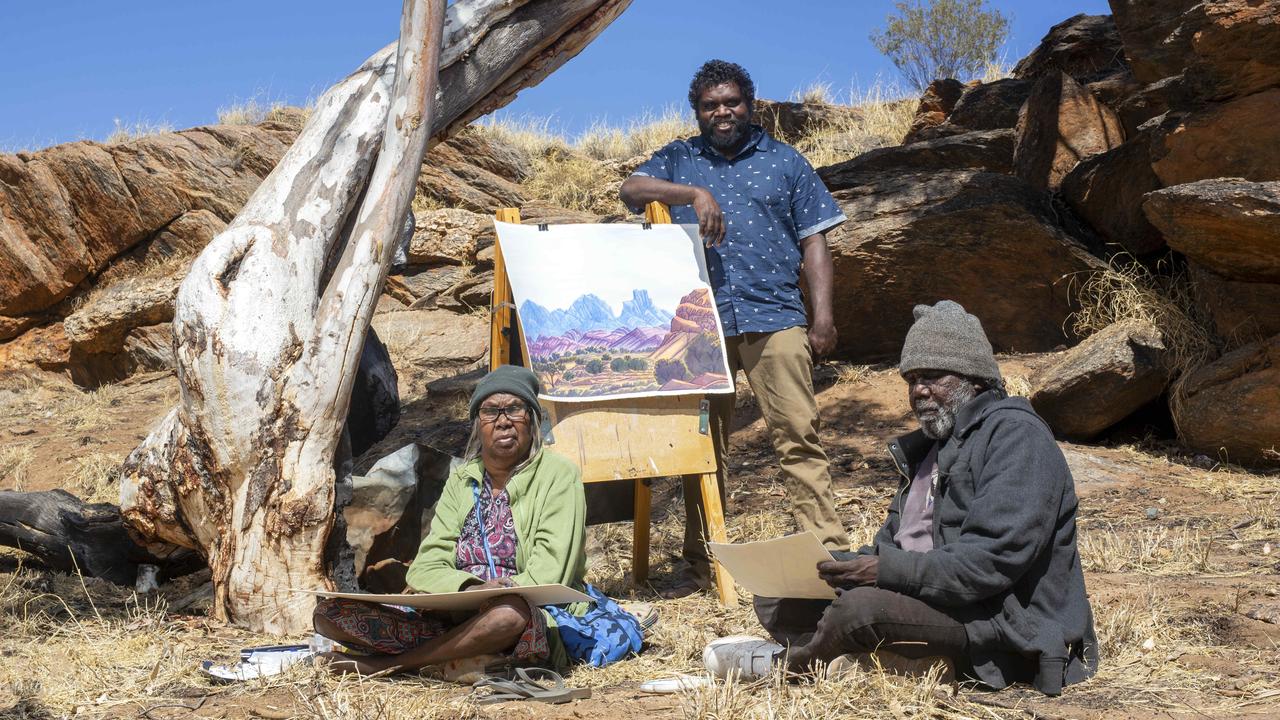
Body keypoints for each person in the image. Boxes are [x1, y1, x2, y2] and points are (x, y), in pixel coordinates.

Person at [704, 301, 1099, 696]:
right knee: (779, 597)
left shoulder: (1016, 436)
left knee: (860, 612)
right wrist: (831, 566)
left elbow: (990, 564)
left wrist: (881, 572)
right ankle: (878, 658)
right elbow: (893, 545)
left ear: (974, 378)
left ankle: (790, 667)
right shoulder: (933, 448)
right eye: (911, 379)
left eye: (931, 377)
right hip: (934, 595)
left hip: (999, 618)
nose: (918, 392)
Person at [619, 59, 850, 598]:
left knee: (798, 435)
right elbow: (632, 189)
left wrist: (823, 317)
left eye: (731, 102)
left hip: (775, 319)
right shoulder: (679, 159)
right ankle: (701, 563)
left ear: (750, 103)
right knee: (703, 451)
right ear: (697, 111)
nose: (722, 113)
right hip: (701, 326)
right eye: (710, 105)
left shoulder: (786, 162)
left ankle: (831, 554)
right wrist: (694, 195)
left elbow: (815, 241)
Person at [312, 365, 588, 674]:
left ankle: (389, 664)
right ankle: (457, 652)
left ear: (533, 420)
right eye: (491, 412)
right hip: (457, 616)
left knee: (508, 614)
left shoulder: (558, 476)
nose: (503, 422)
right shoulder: (463, 480)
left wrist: (490, 598)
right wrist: (468, 592)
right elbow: (425, 566)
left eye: (515, 409)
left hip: (524, 616)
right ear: (477, 424)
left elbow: (550, 575)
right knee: (330, 614)